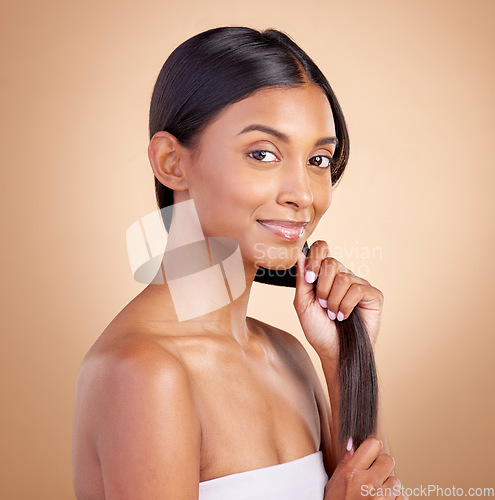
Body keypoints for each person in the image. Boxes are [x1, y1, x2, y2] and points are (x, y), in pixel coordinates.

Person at [72, 26, 406, 499]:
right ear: (172, 162)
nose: (303, 195)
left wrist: (348, 360)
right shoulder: (144, 374)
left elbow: (372, 485)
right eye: (263, 153)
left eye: (318, 159)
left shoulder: (291, 357)